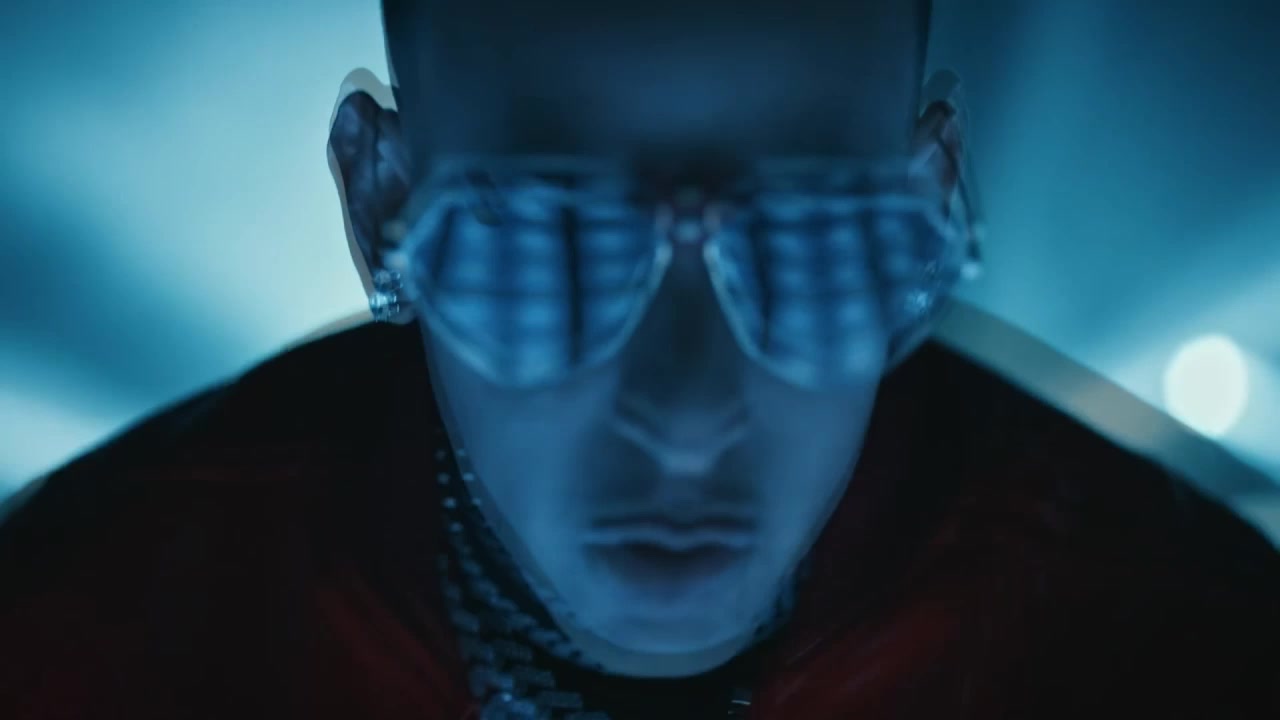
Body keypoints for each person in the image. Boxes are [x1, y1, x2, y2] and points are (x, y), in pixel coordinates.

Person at [2, 1, 1278, 718]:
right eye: (545, 248)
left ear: (925, 219)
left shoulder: (1196, 658)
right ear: (380, 200)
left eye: (808, 243)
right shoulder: (66, 642)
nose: (683, 416)